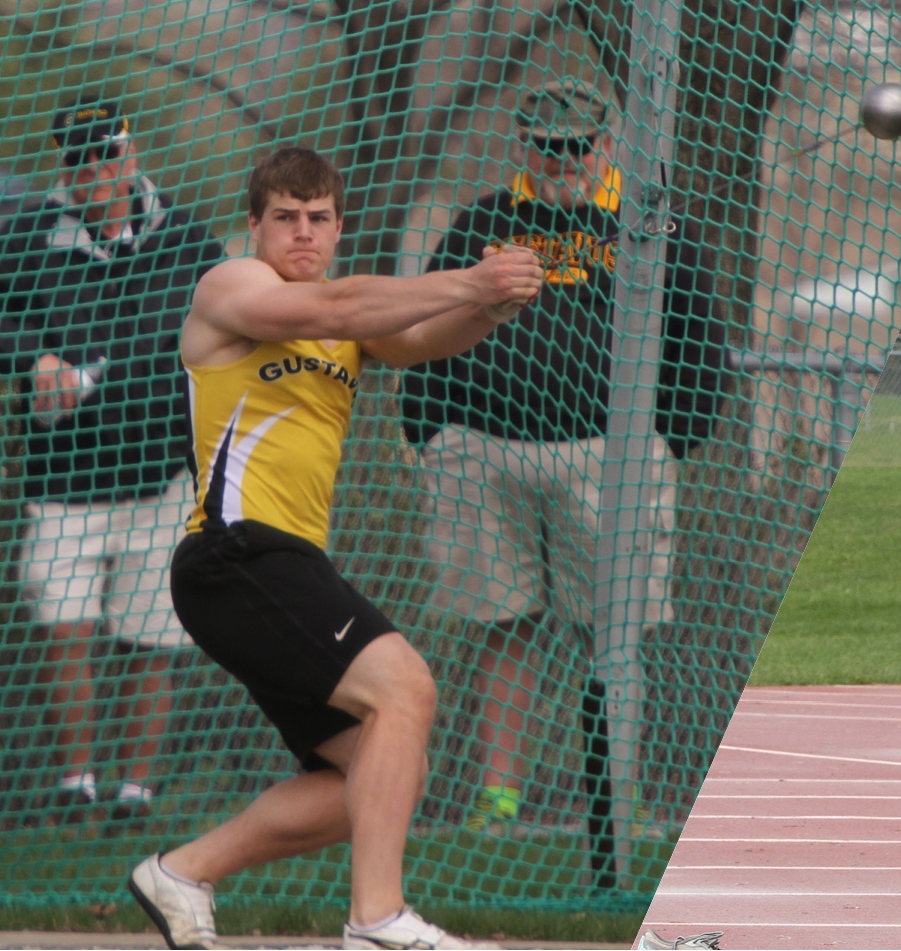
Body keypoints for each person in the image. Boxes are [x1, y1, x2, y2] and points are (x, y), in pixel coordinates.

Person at [124, 146, 543, 950]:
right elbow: (346, 309)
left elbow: (421, 338)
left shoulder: (339, 322)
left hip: (280, 564)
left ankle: (182, 871)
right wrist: (470, 278)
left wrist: (496, 301)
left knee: (390, 768)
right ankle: (377, 919)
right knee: (405, 688)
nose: (303, 233)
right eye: (285, 217)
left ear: (338, 227)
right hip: (236, 552)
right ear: (255, 226)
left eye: (319, 219)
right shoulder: (233, 287)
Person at [402, 79, 727, 834]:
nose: (562, 162)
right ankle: (499, 798)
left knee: (609, 634)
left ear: (606, 145)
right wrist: (432, 433)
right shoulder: (484, 222)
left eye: (578, 147)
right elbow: (428, 319)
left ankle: (616, 798)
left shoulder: (647, 222)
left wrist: (663, 442)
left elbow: (699, 343)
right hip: (484, 454)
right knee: (502, 625)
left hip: (610, 458)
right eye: (547, 148)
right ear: (523, 146)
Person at [0, 96, 223, 822]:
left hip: (159, 476)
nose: (95, 170)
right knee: (64, 627)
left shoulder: (186, 239)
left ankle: (134, 793)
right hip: (62, 480)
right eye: (80, 159)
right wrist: (33, 361)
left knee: (146, 639)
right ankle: (76, 784)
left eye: (107, 154)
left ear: (131, 154)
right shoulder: (29, 235)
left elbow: (217, 322)